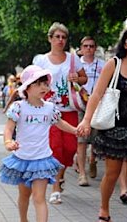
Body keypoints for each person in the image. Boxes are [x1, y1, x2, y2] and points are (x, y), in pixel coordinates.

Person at [78, 25, 127, 222]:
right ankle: (104, 208)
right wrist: (87, 120)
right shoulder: (114, 64)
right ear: (125, 44)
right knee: (112, 174)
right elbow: (97, 94)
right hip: (114, 128)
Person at [0, 65, 78, 222]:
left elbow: (60, 123)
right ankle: (23, 219)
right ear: (27, 87)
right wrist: (8, 142)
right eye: (38, 83)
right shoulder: (18, 107)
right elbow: (8, 128)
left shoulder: (50, 108)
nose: (44, 87)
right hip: (22, 159)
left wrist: (75, 130)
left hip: (42, 160)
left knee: (39, 197)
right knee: (24, 195)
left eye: (45, 83)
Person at [32, 22, 88, 204]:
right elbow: (31, 81)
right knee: (56, 148)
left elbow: (84, 79)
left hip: (69, 108)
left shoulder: (73, 59)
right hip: (48, 110)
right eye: (57, 37)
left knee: (70, 148)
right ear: (50, 39)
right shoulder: (40, 60)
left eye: (63, 37)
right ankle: (55, 188)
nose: (60, 40)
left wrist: (77, 78)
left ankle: (60, 175)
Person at [77, 36, 105, 185]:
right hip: (81, 105)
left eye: (91, 46)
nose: (88, 49)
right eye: (86, 46)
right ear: (81, 49)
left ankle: (93, 159)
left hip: (98, 106)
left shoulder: (102, 64)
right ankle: (82, 174)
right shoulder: (76, 65)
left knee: (95, 139)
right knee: (81, 140)